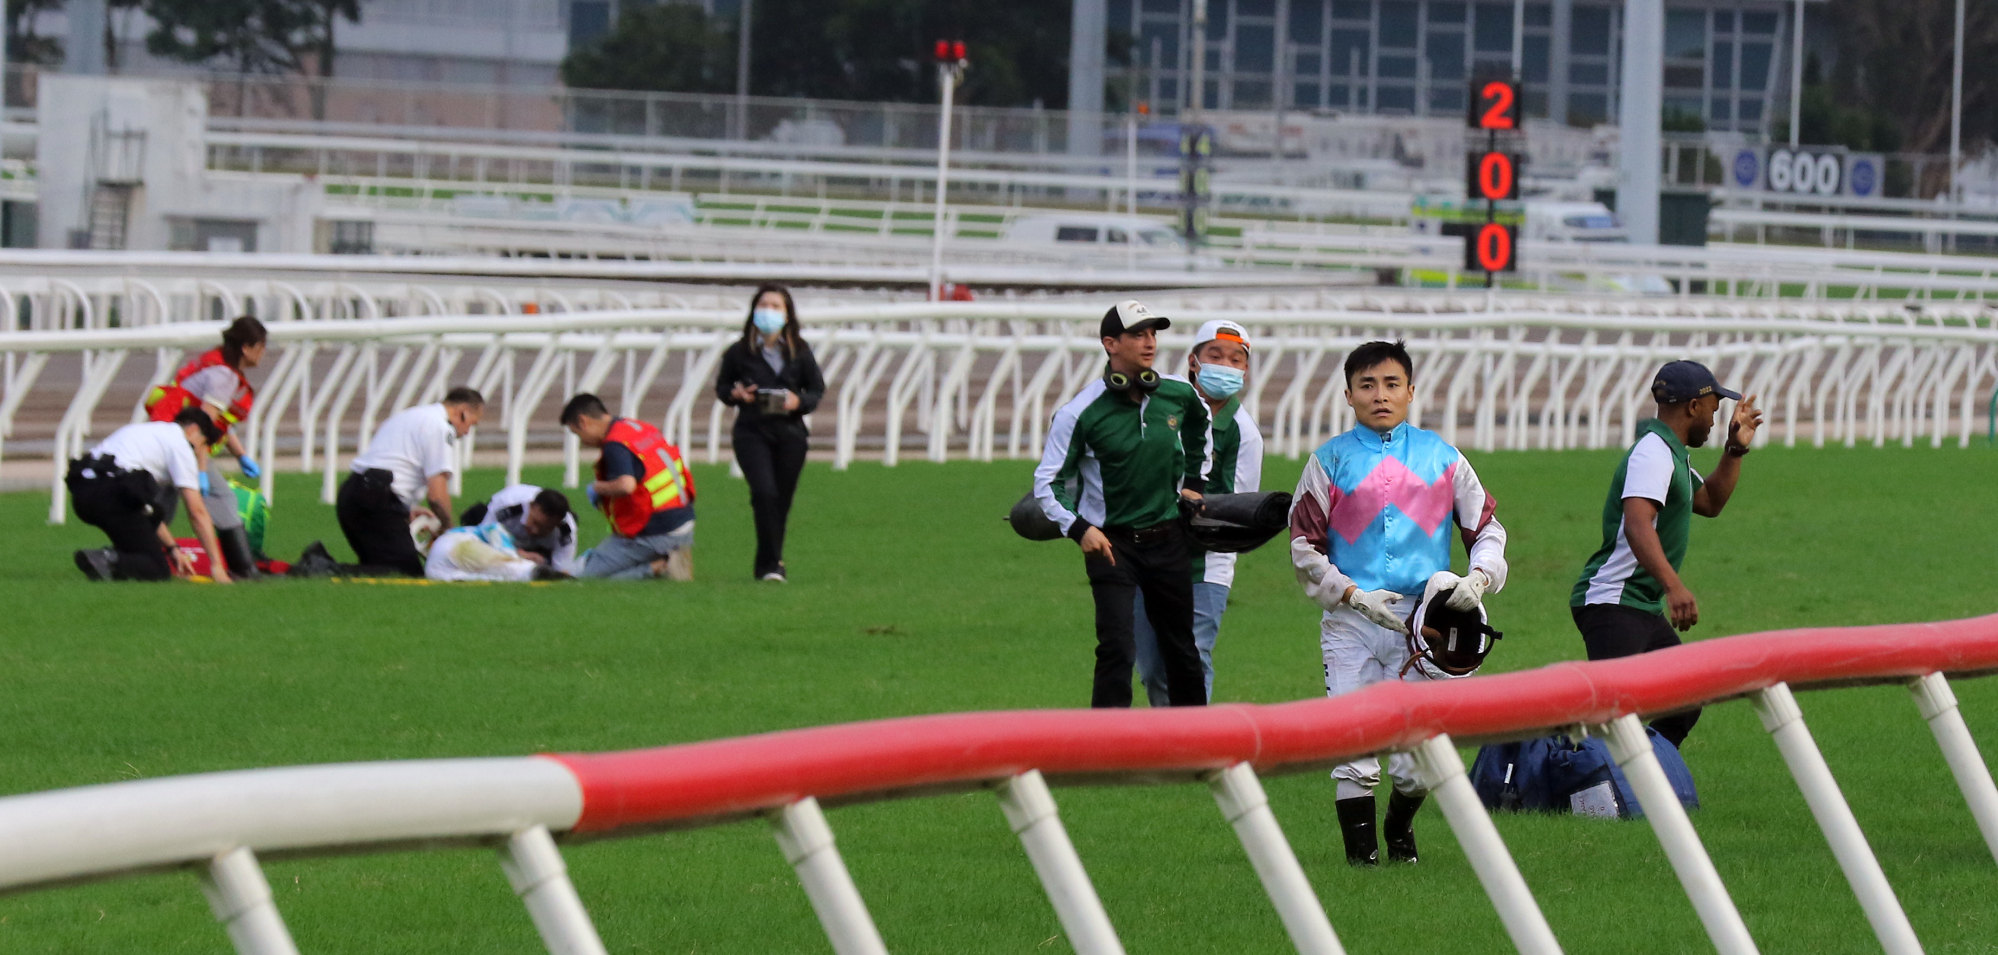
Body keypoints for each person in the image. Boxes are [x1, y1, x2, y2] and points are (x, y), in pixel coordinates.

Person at [1288, 339, 1508, 867]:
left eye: (1391, 385)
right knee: (1354, 743)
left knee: (1418, 759)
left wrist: (1479, 578)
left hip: (1425, 625)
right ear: (1348, 395)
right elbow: (1303, 546)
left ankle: (1399, 826)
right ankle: (1360, 862)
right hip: (1350, 620)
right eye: (1367, 385)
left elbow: (1486, 528)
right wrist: (1352, 595)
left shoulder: (1444, 457)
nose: (1380, 396)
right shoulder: (1328, 461)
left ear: (1411, 391)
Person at [1571, 360, 1762, 748]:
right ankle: (1567, 772)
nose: (1715, 419)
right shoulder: (1652, 455)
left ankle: (1647, 774)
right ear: (1693, 406)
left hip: (1639, 605)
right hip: (1614, 602)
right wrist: (1674, 588)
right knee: (1615, 717)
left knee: (1685, 701)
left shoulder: (1670, 453)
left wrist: (1735, 448)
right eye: (1713, 408)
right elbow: (1637, 525)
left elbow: (1710, 502)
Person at [1033, 300, 1211, 709]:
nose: (1149, 343)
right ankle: (1106, 741)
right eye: (1137, 335)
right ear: (1110, 344)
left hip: (1168, 538)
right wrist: (1080, 529)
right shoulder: (1079, 413)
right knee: (1116, 648)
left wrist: (1194, 484)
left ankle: (1198, 737)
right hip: (1111, 545)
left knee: (1181, 647)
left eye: (1152, 334)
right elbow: (1047, 483)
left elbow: (1201, 424)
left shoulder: (1179, 394)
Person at [1131, 319, 1263, 707]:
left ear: (1245, 370)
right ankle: (1172, 735)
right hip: (1146, 555)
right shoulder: (1159, 404)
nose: (1225, 365)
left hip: (1207, 566)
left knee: (1192, 656)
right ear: (1193, 361)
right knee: (1153, 669)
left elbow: (1239, 511)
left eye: (1235, 360)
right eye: (1215, 356)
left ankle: (1195, 741)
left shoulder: (1244, 433)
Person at [713, 284, 825, 581]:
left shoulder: (800, 351)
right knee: (764, 493)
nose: (768, 311)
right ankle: (772, 565)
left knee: (781, 501)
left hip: (790, 434)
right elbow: (722, 387)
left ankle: (769, 564)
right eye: (764, 305)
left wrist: (798, 402)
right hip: (752, 432)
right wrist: (736, 394)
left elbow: (816, 389)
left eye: (776, 306)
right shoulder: (739, 352)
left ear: (787, 315)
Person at [143, 316, 267, 577]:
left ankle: (131, 559)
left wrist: (241, 455)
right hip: (181, 444)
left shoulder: (217, 368)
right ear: (246, 348)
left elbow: (216, 423)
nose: (263, 353)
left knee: (160, 506)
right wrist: (200, 472)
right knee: (221, 497)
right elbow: (201, 428)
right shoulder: (224, 377)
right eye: (261, 346)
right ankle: (242, 567)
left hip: (168, 439)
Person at [68, 409, 233, 584]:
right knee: (157, 569)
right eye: (203, 443)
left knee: (137, 551)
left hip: (82, 494)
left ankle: (107, 562)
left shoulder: (145, 432)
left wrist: (173, 549)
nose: (200, 451)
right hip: (111, 496)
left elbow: (145, 509)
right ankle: (106, 558)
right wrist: (217, 565)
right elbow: (197, 512)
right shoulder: (180, 445)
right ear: (193, 429)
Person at [337, 387, 483, 577]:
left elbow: (388, 462)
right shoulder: (440, 427)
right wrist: (449, 530)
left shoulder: (412, 415)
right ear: (462, 412)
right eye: (471, 424)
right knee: (404, 573)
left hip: (354, 493)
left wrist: (405, 508)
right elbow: (437, 496)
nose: (467, 432)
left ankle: (318, 568)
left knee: (379, 569)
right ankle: (317, 567)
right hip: (376, 498)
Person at [559, 393, 696, 580]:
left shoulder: (615, 444)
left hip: (653, 533)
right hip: (683, 523)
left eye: (577, 434)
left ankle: (659, 567)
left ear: (583, 421)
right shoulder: (638, 428)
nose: (582, 442)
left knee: (585, 577)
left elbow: (626, 485)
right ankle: (664, 559)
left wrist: (597, 488)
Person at [458, 484, 580, 576]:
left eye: (546, 528)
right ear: (531, 506)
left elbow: (562, 570)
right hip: (498, 536)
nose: (536, 531)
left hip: (536, 550)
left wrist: (544, 562)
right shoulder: (507, 504)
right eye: (535, 522)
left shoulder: (566, 530)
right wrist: (516, 555)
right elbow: (482, 538)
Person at [424, 520, 569, 583]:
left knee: (501, 578)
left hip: (437, 570)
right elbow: (495, 532)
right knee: (514, 568)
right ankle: (541, 572)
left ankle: (539, 573)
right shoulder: (496, 530)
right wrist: (520, 558)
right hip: (454, 546)